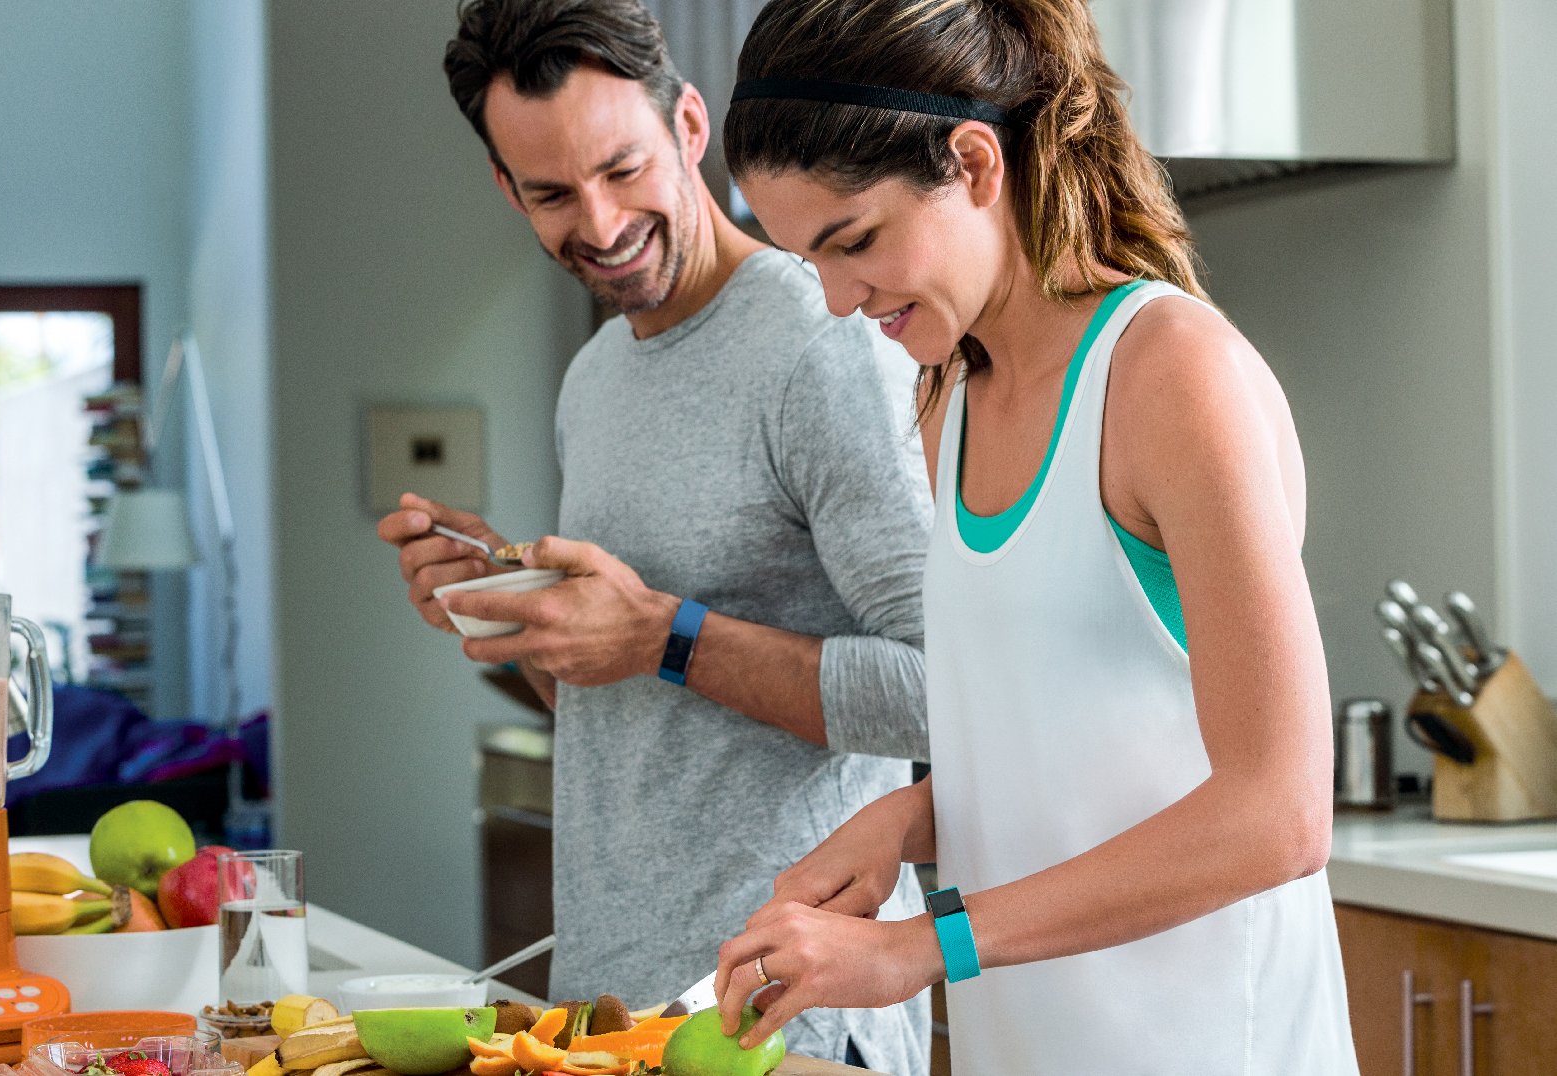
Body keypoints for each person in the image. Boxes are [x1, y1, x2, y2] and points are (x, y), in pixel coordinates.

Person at [711, 1, 1360, 1072]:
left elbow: (1278, 811)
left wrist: (925, 945)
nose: (834, 300)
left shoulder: (1170, 375)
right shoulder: (948, 398)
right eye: (805, 259)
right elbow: (1063, 751)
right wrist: (908, 819)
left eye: (855, 241)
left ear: (973, 163)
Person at [376, 1, 933, 1071]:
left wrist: (661, 633)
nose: (598, 221)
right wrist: (525, 607)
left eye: (622, 167)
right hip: (605, 1016)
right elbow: (647, 723)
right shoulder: (595, 379)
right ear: (508, 188)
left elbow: (947, 690)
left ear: (687, 125)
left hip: (783, 1024)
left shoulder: (825, 345)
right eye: (550, 192)